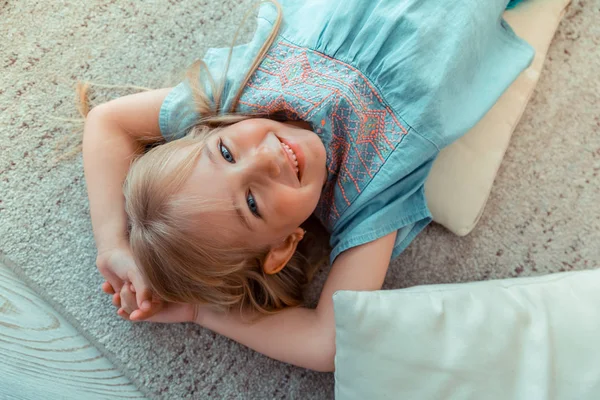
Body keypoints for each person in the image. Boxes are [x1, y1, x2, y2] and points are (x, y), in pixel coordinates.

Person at [82, 0, 533, 372]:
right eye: (253, 202)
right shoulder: (368, 198)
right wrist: (203, 312)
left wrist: (113, 243)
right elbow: (328, 345)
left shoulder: (234, 96)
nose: (265, 157)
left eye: (225, 154)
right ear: (282, 248)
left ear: (204, 131)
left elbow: (107, 121)